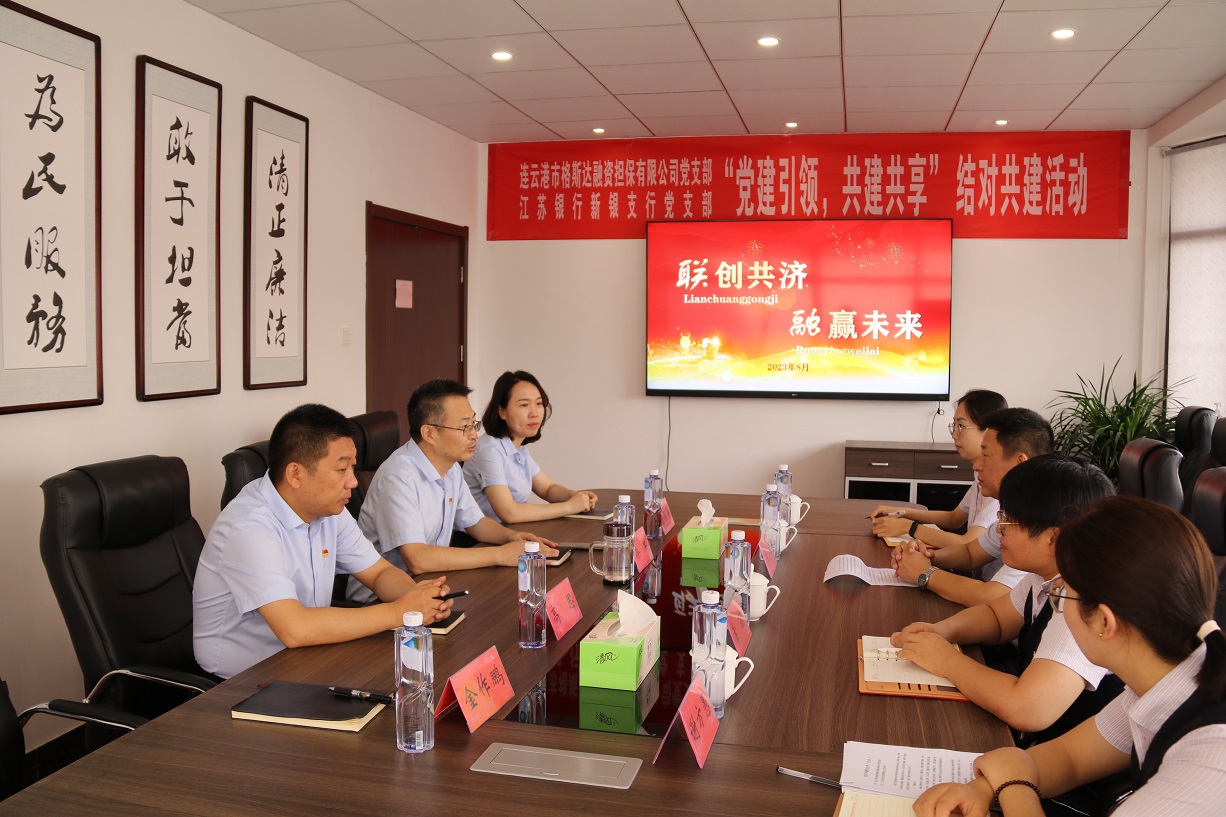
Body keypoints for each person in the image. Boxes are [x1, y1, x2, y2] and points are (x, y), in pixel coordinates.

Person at [914, 496, 1226, 817]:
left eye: (1062, 593)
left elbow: (1025, 773)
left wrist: (1013, 785)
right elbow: (1070, 758)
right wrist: (981, 788)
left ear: (1104, 622)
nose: (1055, 601)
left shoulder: (1211, 759)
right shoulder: (1163, 680)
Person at [193, 404, 454, 680]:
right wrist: (398, 612)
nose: (353, 482)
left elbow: (379, 573)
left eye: (353, 468)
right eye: (341, 469)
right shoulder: (248, 527)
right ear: (295, 474)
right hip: (239, 683)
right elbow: (294, 629)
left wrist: (420, 600)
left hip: (307, 658)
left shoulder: (328, 510)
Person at [891, 456, 1120, 745]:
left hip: (1062, 759)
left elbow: (1027, 708)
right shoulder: (1046, 576)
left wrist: (946, 660)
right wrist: (943, 631)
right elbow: (996, 617)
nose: (999, 528)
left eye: (1009, 520)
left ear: (1053, 538)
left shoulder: (1082, 604)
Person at [349, 379, 559, 604]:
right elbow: (418, 559)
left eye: (474, 424)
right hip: (379, 601)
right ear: (429, 433)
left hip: (430, 585)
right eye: (464, 427)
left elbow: (476, 523)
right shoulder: (399, 477)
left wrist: (512, 537)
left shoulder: (450, 467)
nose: (474, 435)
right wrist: (500, 554)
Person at [893, 407, 1052, 608]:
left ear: (1019, 462)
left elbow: (991, 597)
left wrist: (924, 573)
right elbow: (970, 553)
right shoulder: (1013, 508)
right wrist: (926, 557)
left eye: (985, 455)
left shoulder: (1042, 518)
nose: (976, 465)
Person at [871, 389, 1007, 551]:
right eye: (954, 426)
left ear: (988, 431)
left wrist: (909, 527)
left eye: (961, 426)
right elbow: (954, 518)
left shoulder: (998, 485)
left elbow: (968, 544)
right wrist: (901, 512)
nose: (954, 434)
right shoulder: (980, 473)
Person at [464, 370, 598, 523]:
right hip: (480, 537)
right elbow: (509, 512)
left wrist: (575, 496)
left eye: (539, 403)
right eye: (524, 405)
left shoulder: (518, 449)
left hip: (511, 532)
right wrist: (570, 506)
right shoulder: (488, 450)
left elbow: (548, 489)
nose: (534, 413)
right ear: (502, 412)